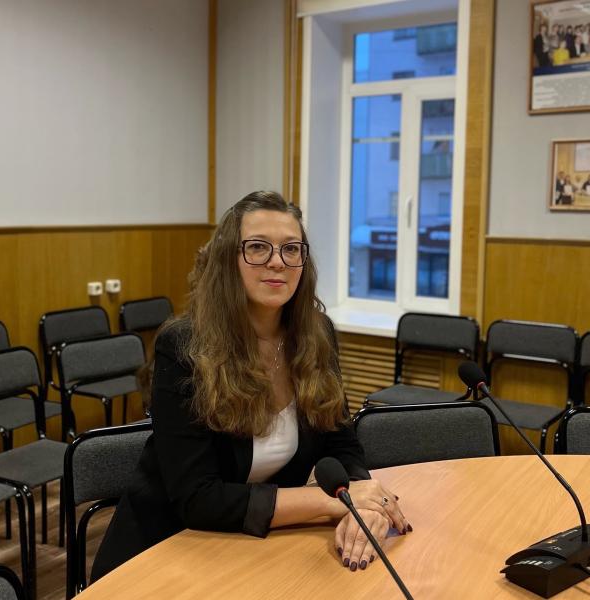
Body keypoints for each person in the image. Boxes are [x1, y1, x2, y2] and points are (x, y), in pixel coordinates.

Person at [90, 191, 411, 581]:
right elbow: (198, 498)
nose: (277, 261)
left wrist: (365, 508)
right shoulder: (184, 346)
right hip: (167, 548)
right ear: (229, 260)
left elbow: (341, 444)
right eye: (258, 247)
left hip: (258, 544)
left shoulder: (317, 334)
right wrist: (334, 503)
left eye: (291, 249)